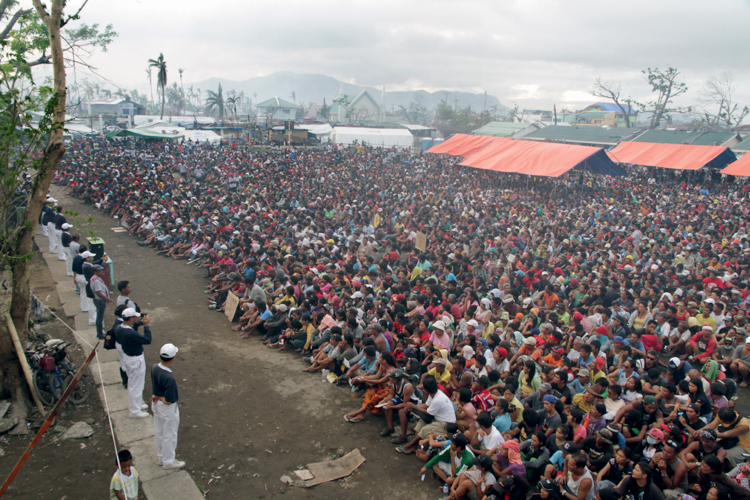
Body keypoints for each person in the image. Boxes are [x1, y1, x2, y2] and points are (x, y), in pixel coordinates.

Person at [151, 343, 184, 470]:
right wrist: (160, 397)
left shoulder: (155, 367)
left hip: (156, 404)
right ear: (173, 358)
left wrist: (157, 395)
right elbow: (169, 400)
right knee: (169, 434)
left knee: (159, 430)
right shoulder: (169, 377)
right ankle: (169, 461)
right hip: (166, 407)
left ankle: (161, 456)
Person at [117, 308, 151, 418]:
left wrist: (136, 324)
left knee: (134, 383)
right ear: (131, 318)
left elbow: (133, 333)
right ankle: (134, 411)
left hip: (128, 357)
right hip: (135, 359)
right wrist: (146, 326)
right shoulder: (130, 333)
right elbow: (147, 340)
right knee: (136, 384)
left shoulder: (119, 328)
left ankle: (136, 405)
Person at [90, 264, 112, 340]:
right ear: (95, 272)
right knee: (100, 318)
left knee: (99, 317)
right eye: (100, 270)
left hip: (98, 300)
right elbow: (99, 292)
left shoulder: (94, 279)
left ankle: (100, 333)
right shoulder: (96, 281)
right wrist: (107, 299)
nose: (102, 271)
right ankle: (100, 334)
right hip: (100, 301)